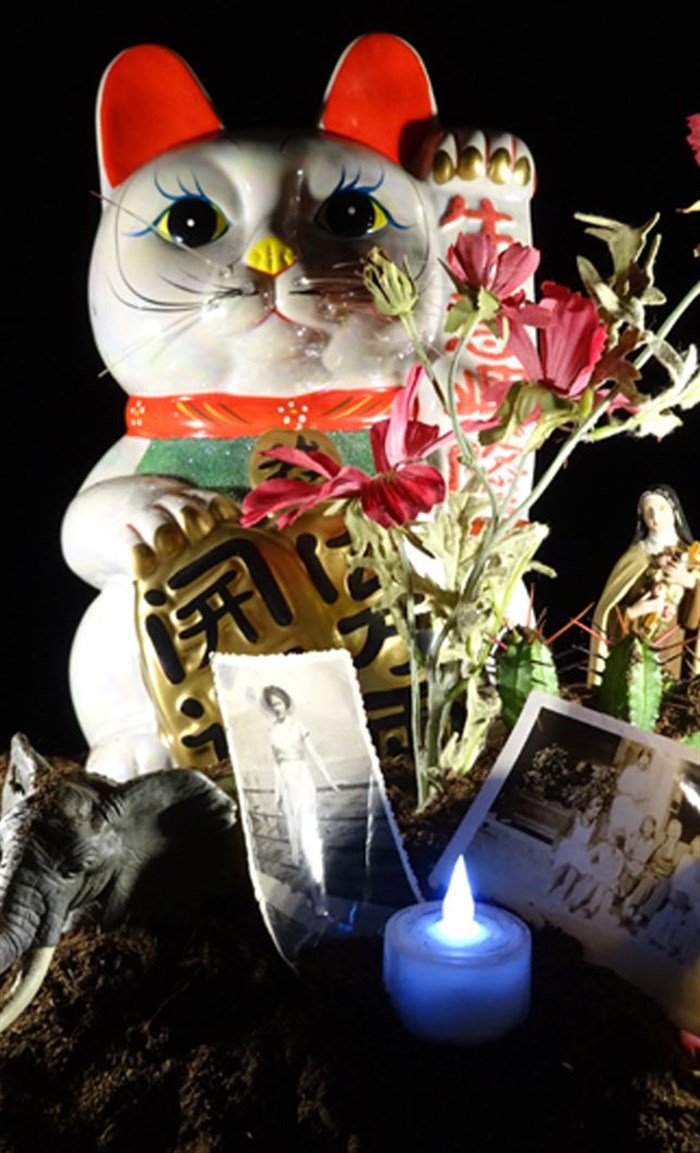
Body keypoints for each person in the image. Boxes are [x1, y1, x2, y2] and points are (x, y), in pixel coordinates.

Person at [588, 485, 700, 684]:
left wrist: (690, 582)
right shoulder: (635, 557)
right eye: (648, 511)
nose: (654, 516)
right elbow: (607, 616)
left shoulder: (693, 557)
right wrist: (635, 611)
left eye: (661, 509)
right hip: (635, 657)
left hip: (675, 653)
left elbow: (693, 622)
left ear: (674, 512)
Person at [262, 685, 338, 912]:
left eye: (279, 703)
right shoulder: (272, 732)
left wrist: (330, 780)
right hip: (286, 781)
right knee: (294, 835)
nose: (277, 708)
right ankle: (311, 895)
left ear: (285, 703)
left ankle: (322, 896)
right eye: (273, 705)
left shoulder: (298, 726)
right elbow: (276, 765)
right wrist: (277, 793)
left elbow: (314, 755)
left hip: (301, 777)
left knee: (308, 831)